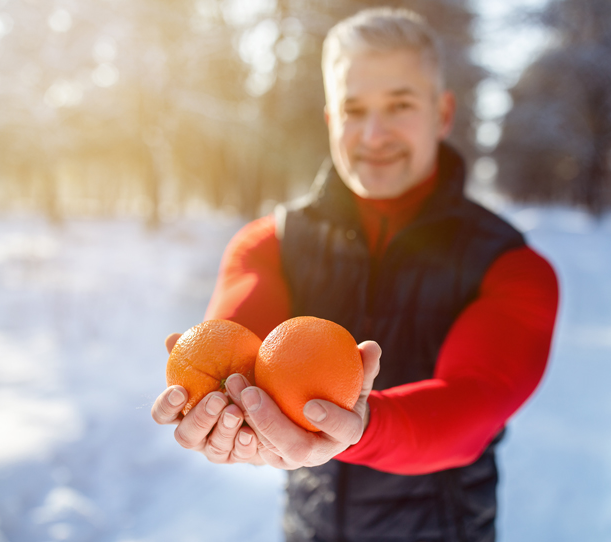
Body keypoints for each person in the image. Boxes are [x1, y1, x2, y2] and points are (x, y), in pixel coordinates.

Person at [152, 7, 559, 542]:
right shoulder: (268, 244)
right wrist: (225, 408)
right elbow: (235, 352)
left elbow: (473, 402)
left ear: (442, 113)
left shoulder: (510, 267)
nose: (374, 133)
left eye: (400, 105)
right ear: (330, 119)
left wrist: (362, 428)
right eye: (354, 108)